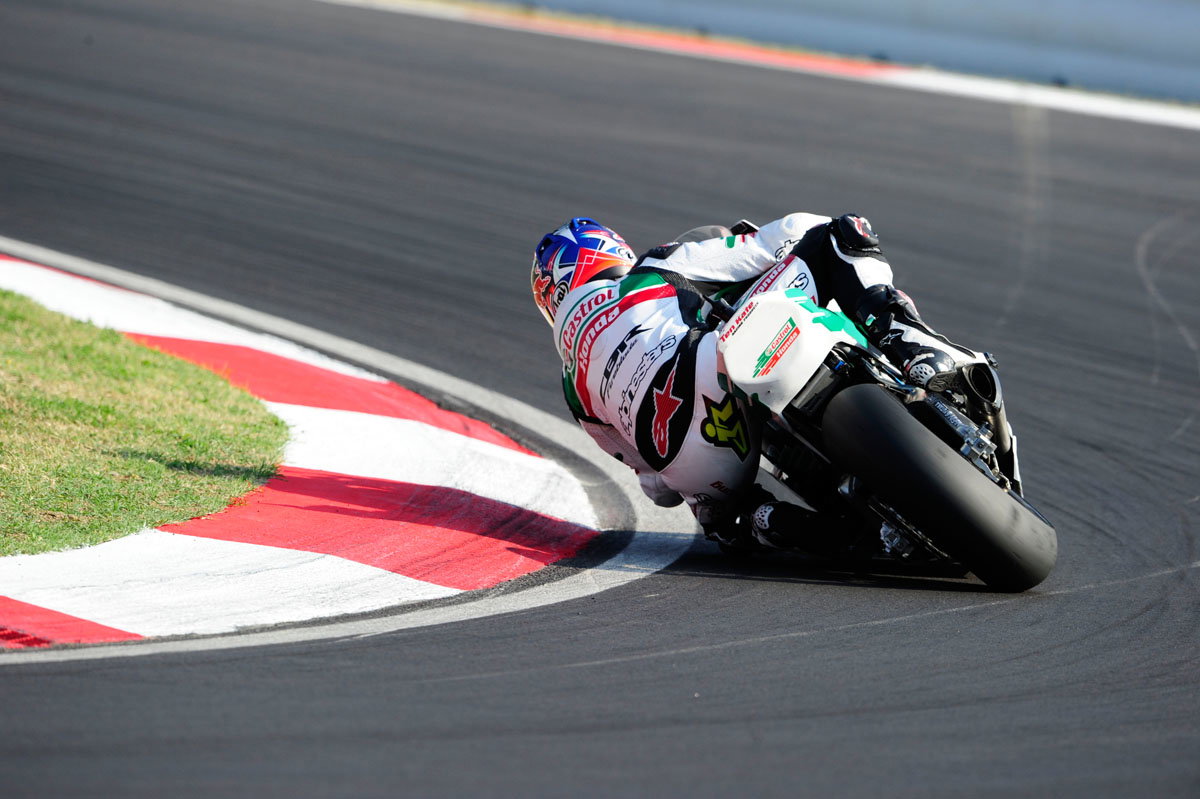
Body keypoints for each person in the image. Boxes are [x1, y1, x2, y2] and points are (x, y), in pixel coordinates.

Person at [530, 212, 983, 552]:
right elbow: (780, 237)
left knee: (723, 519)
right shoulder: (652, 270)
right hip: (711, 368)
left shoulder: (576, 390)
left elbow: (658, 490)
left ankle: (776, 523)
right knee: (837, 234)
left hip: (700, 462)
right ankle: (913, 344)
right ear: (608, 252)